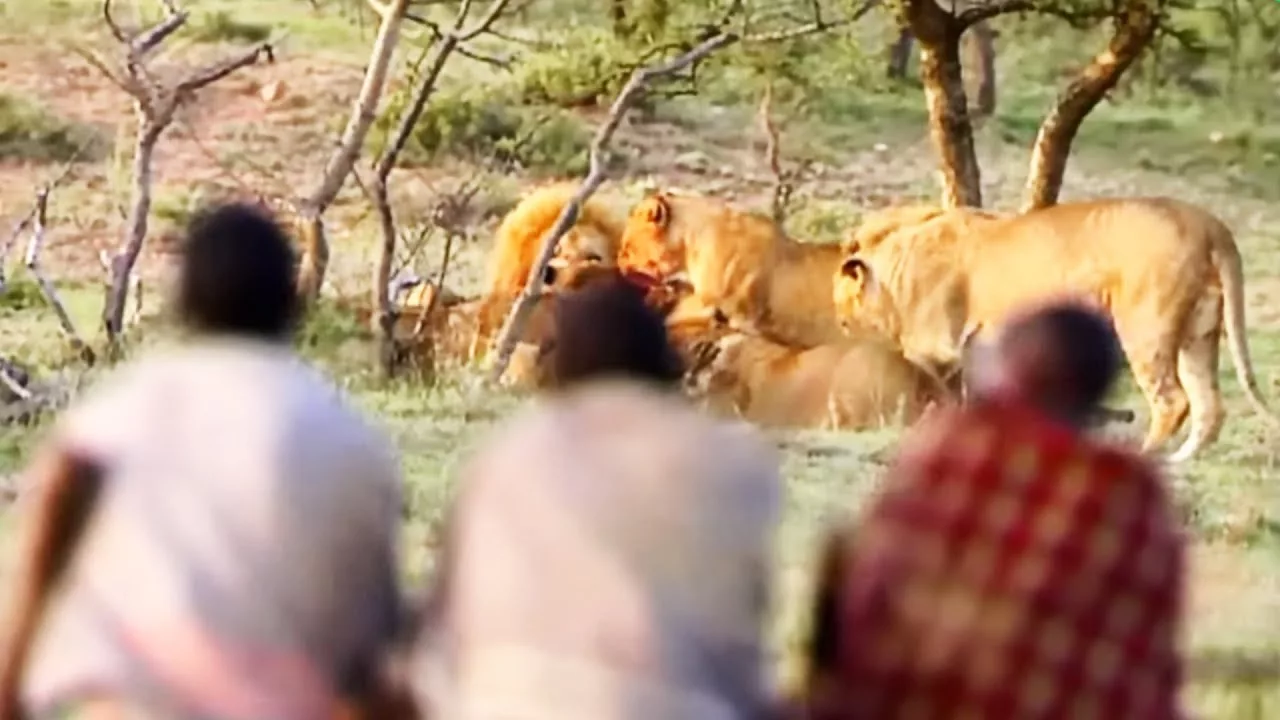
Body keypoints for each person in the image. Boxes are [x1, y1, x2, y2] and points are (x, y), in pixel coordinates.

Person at [0, 202, 406, 719]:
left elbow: (51, 523)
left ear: (183, 299)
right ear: (293, 302)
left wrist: (11, 679)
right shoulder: (351, 439)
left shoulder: (126, 407)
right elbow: (369, 641)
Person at [411, 277, 782, 720]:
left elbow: (438, 633)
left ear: (561, 372)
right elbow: (746, 636)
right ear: (665, 365)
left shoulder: (507, 455)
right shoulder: (731, 464)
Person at [796, 301, 1188, 719]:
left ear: (1025, 364)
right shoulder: (1132, 489)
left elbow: (870, 594)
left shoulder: (960, 446)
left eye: (1000, 352)